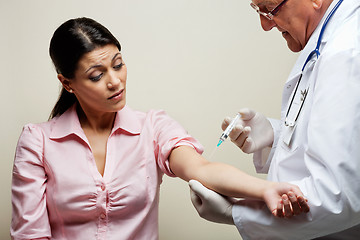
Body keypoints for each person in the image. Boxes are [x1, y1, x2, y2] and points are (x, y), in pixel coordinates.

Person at [10, 17, 309, 240]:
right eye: (96, 75)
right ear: (67, 83)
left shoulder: (152, 128)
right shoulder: (38, 141)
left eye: (118, 64)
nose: (115, 81)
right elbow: (29, 234)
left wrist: (267, 189)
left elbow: (201, 169)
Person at [189, 0, 360, 239]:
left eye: (270, 9)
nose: (265, 25)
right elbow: (342, 145)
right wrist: (275, 134)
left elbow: (339, 196)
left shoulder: (346, 51)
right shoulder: (328, 39)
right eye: (258, 10)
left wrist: (235, 213)